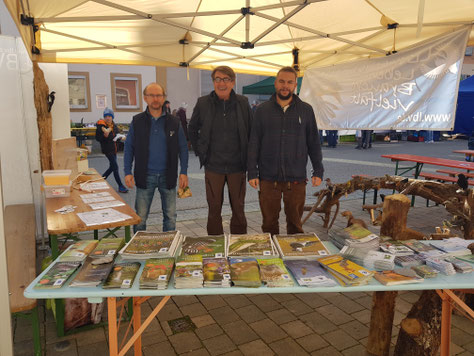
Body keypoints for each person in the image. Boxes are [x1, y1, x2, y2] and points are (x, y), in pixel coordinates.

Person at [247, 66, 324, 235]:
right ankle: (272, 258)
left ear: (295, 85)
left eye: (289, 82)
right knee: (268, 225)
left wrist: (318, 170)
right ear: (275, 83)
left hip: (296, 179)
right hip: (268, 179)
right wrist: (252, 172)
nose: (285, 86)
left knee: (295, 225)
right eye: (282, 81)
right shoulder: (262, 110)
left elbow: (313, 142)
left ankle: (293, 259)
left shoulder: (306, 110)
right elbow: (254, 143)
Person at [188, 66, 252, 235]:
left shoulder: (243, 102)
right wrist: (201, 152)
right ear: (213, 82)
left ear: (232, 82)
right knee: (214, 209)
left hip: (237, 167)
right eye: (217, 79)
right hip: (213, 166)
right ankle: (215, 243)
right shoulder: (203, 103)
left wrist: (250, 162)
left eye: (225, 79)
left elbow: (251, 131)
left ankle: (239, 243)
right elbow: (192, 129)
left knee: (238, 208)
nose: (221, 83)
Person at [123, 83, 189, 232]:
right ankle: (139, 250)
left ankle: (169, 248)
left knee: (170, 217)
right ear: (145, 98)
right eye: (151, 95)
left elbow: (183, 148)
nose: (155, 99)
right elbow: (129, 147)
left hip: (168, 175)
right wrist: (127, 171)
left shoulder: (174, 122)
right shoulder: (137, 121)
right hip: (145, 176)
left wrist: (183, 171)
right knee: (140, 218)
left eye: (159, 95)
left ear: (164, 98)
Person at [95, 107, 128, 193]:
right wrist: (105, 136)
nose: (108, 118)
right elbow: (98, 138)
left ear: (112, 117)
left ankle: (101, 180)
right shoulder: (101, 126)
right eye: (106, 116)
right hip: (107, 149)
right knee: (115, 167)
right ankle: (120, 186)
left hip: (114, 149)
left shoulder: (114, 125)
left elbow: (116, 135)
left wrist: (121, 137)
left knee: (112, 167)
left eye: (109, 116)